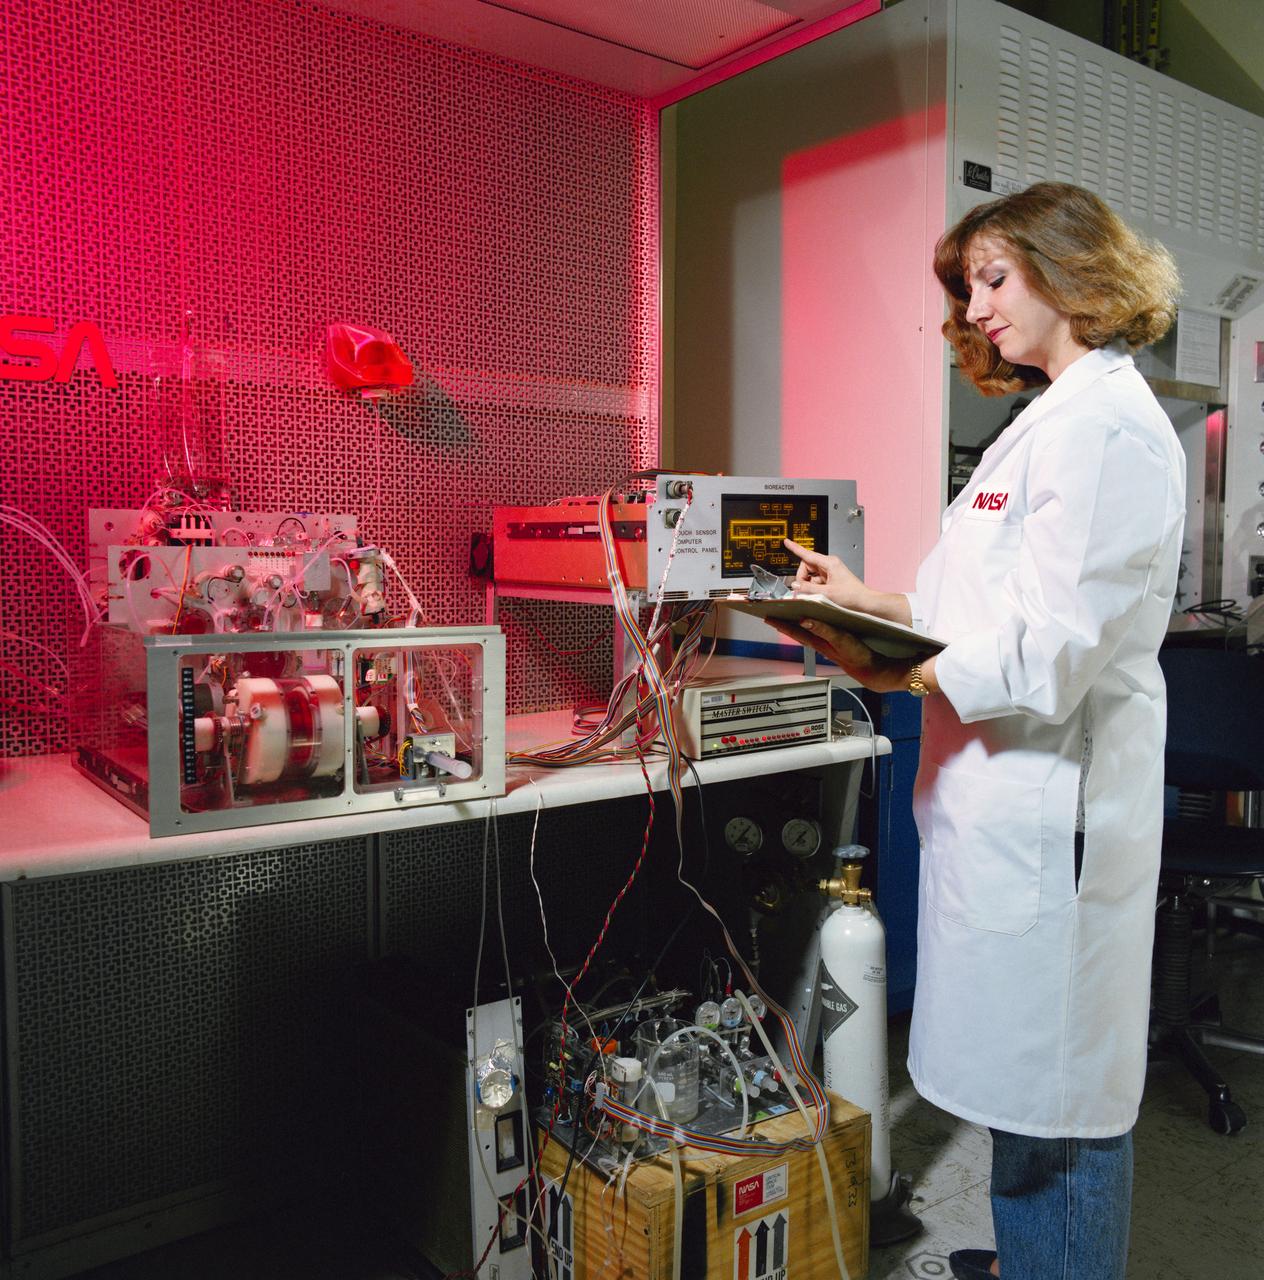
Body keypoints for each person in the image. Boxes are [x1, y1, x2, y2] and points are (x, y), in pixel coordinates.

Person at [770, 182, 1184, 1280]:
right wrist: (872, 606)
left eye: (994, 277)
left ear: (1072, 268)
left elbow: (1045, 654)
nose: (978, 306)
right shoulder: (1044, 424)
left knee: (1059, 1104)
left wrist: (893, 669)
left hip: (1055, 815)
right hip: (1003, 808)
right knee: (1022, 1081)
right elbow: (982, 617)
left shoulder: (1107, 431)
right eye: (968, 287)